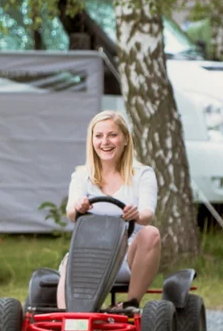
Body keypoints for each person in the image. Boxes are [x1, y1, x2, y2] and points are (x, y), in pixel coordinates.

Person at [57, 110, 162, 314]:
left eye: (112, 135)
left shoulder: (142, 174)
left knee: (151, 233)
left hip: (128, 258)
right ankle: (67, 320)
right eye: (99, 136)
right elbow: (71, 213)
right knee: (70, 261)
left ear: (125, 139)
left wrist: (136, 214)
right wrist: (79, 207)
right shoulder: (82, 176)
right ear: (92, 141)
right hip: (89, 256)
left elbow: (148, 213)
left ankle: (131, 303)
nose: (105, 142)